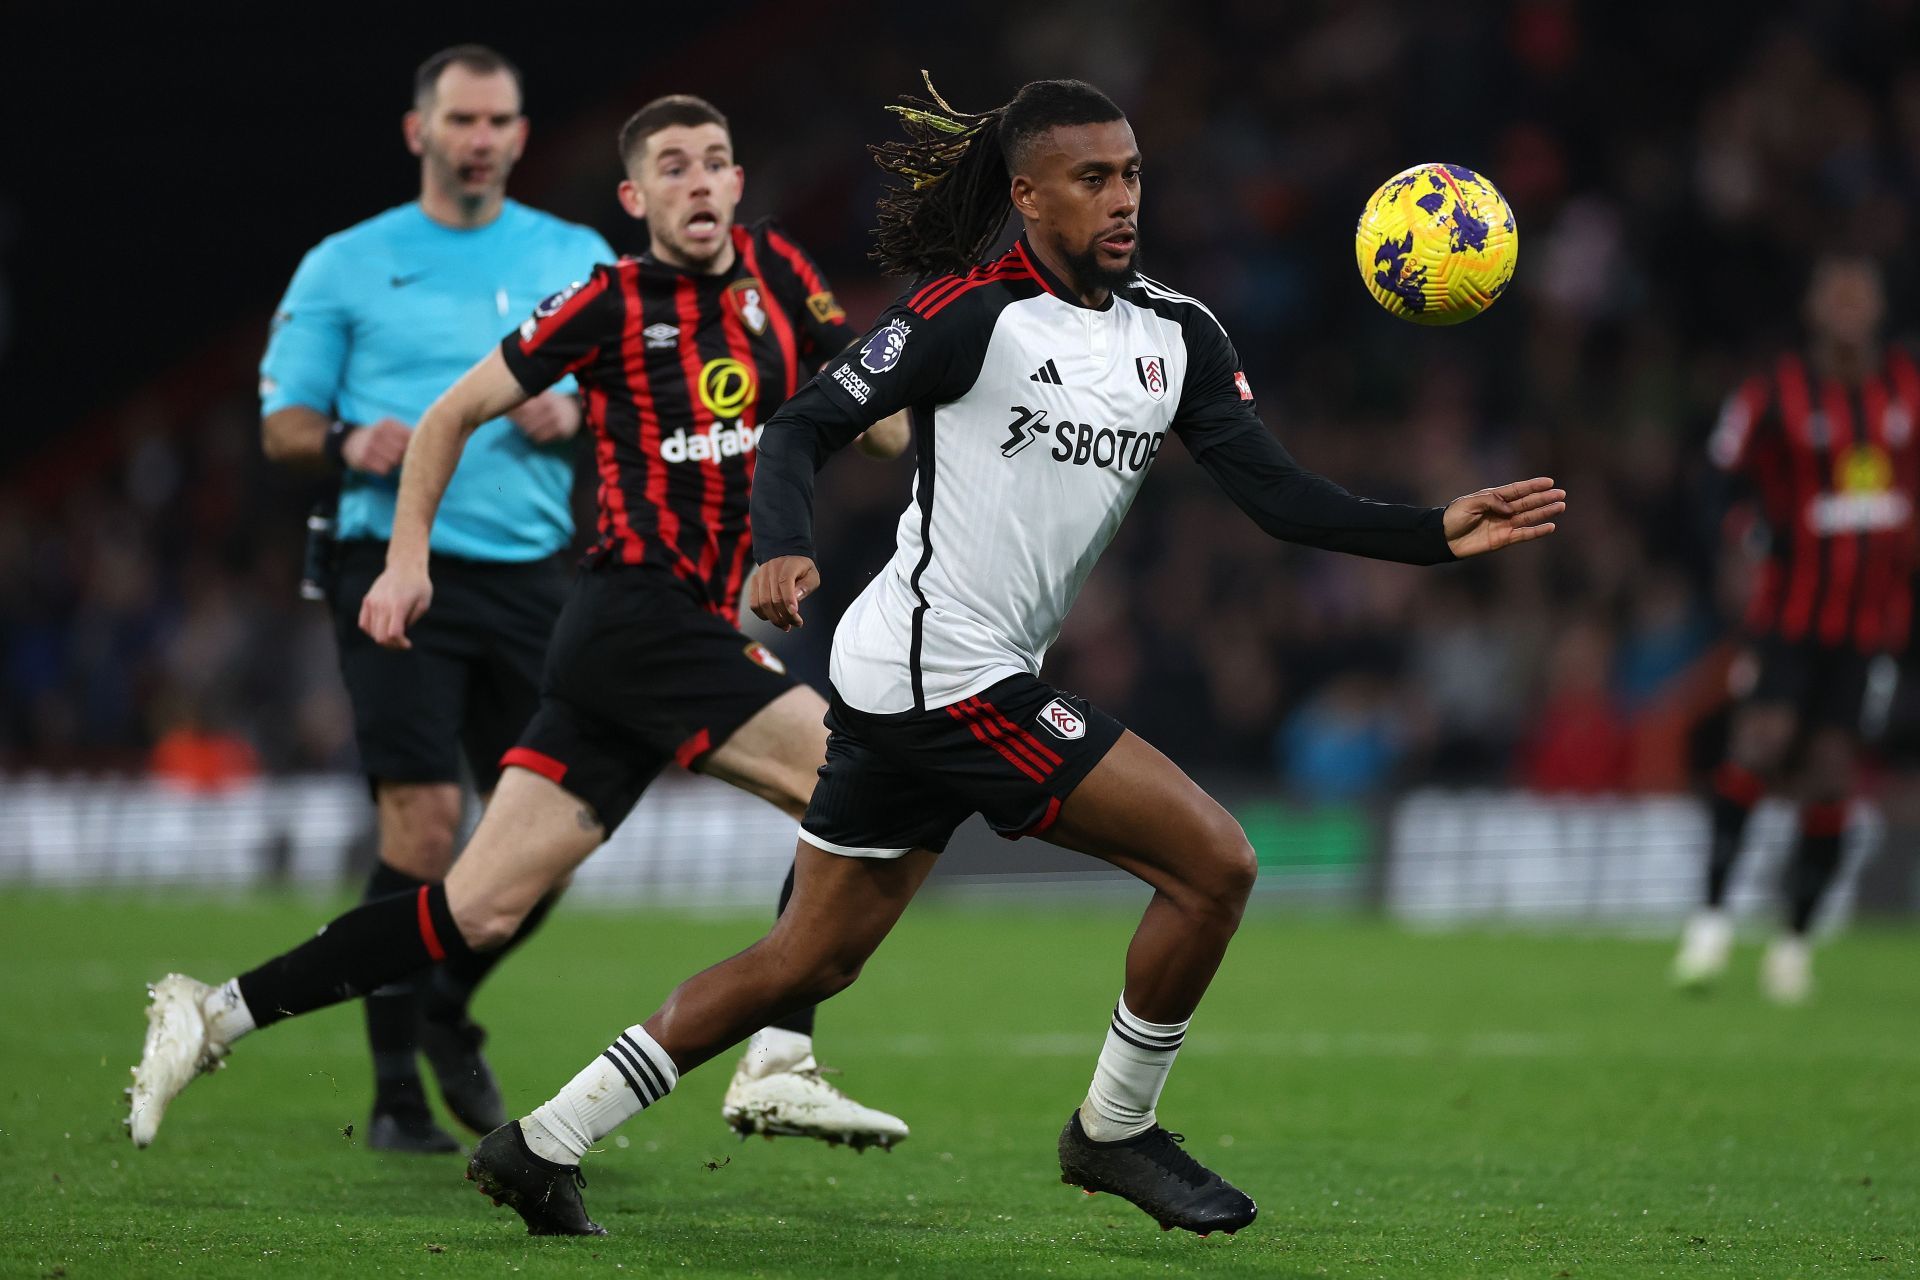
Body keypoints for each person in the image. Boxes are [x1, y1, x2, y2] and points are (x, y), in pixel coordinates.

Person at [459, 76, 1565, 1239]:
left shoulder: (1177, 333)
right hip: (944, 675)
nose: (1123, 199)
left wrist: (1431, 532)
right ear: (1029, 195)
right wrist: (779, 549)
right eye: (1093, 180)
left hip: (922, 677)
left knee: (807, 960)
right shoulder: (966, 314)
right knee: (1216, 863)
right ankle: (1115, 1128)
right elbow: (801, 424)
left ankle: (542, 1138)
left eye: (1132, 173)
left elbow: (1280, 498)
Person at [128, 95, 913, 1154]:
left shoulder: (782, 274)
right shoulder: (608, 298)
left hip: (619, 649)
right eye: (671, 167)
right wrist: (407, 561)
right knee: (854, 780)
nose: (697, 181)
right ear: (636, 198)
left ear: (737, 185)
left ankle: (211, 1009)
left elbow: (883, 430)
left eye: (715, 162)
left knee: (474, 909)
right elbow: (450, 414)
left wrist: (904, 378)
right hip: (641, 613)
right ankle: (779, 1054)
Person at [245, 44, 614, 1153]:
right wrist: (350, 437)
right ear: (420, 132)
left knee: (561, 825)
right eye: (461, 120)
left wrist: (585, 411)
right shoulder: (345, 264)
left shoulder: (576, 253)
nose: (481, 138)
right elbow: (279, 426)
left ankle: (446, 1004)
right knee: (425, 821)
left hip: (535, 571)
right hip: (391, 565)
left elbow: (637, 388)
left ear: (520, 133)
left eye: (499, 120)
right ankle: (399, 1086)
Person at [1673, 255, 1918, 1002]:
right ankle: (1711, 923)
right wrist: (1739, 538)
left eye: (1859, 295)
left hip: (1872, 619)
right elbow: (1718, 477)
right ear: (1815, 309)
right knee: (1762, 739)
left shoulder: (1907, 388)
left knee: (1834, 768)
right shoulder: (1772, 392)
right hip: (1787, 610)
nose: (1848, 308)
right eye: (1835, 294)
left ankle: (1796, 944)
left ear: (1876, 308)